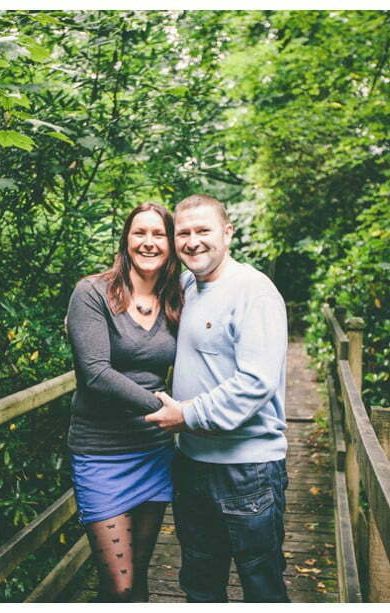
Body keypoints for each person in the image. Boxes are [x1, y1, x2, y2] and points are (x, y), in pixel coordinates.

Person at [144, 194, 289, 603]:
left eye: (203, 231)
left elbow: (255, 383)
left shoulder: (253, 292)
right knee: (200, 584)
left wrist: (186, 414)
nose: (193, 241)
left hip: (247, 470)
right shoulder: (187, 285)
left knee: (261, 585)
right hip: (192, 464)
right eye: (183, 233)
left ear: (228, 233)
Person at [65, 202, 184, 602]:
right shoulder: (93, 292)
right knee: (119, 585)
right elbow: (96, 374)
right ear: (126, 239)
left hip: (153, 452)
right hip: (101, 453)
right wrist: (166, 410)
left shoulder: (177, 299)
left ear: (171, 244)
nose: (148, 242)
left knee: (140, 577)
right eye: (140, 233)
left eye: (158, 234)